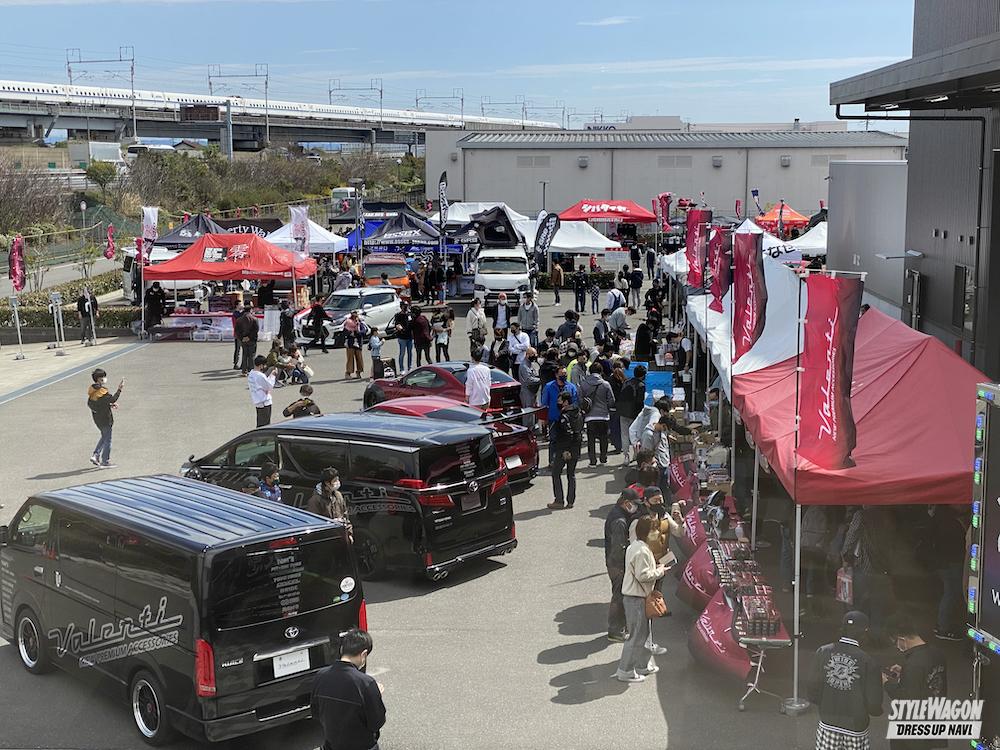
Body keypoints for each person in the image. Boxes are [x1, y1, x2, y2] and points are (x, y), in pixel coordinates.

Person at [807, 611, 883, 750]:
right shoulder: (868, 661)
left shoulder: (823, 651)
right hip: (856, 726)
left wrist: (825, 704)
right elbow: (874, 702)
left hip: (828, 721)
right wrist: (875, 711)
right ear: (865, 631)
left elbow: (813, 688)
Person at [310, 628, 386, 750]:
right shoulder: (366, 684)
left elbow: (316, 713)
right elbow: (376, 722)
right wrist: (376, 694)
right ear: (364, 654)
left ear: (342, 649)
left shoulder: (320, 676)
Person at [883, 612, 948, 750]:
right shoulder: (937, 653)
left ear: (902, 639)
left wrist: (886, 683)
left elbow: (905, 698)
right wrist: (905, 673)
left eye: (895, 643)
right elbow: (927, 679)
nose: (897, 647)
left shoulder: (913, 664)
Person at [615, 516, 668, 683]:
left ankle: (642, 665)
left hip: (637, 598)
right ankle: (625, 670)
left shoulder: (636, 546)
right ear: (648, 532)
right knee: (637, 636)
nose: (657, 533)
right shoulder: (642, 551)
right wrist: (660, 571)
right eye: (654, 529)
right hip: (636, 598)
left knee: (644, 634)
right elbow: (643, 575)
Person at [842, 507, 894, 644]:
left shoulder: (861, 515)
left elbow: (852, 536)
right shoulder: (884, 515)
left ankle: (855, 636)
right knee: (877, 604)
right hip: (881, 566)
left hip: (863, 565)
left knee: (858, 602)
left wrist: (845, 556)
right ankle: (876, 636)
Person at [924, 505, 968, 641]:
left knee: (950, 592)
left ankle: (943, 625)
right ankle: (943, 627)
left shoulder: (938, 517)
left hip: (942, 562)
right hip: (950, 563)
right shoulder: (950, 521)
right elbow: (957, 543)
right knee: (952, 592)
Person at [605, 488, 641, 642]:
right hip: (618, 565)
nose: (636, 507)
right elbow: (619, 548)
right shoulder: (619, 521)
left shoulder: (619, 514)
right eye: (634, 504)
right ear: (626, 503)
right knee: (619, 597)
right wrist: (626, 567)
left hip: (615, 563)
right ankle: (615, 630)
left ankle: (620, 627)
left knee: (620, 596)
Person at [547, 390, 582, 510]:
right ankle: (570, 501)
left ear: (566, 402)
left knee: (556, 473)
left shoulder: (565, 416)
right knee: (571, 475)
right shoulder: (578, 413)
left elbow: (567, 434)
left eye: (560, 401)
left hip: (564, 449)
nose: (558, 403)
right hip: (575, 448)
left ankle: (559, 500)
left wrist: (566, 450)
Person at [86, 368, 124, 468]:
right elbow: (112, 399)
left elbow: (100, 403)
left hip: (97, 419)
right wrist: (119, 389)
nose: (104, 378)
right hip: (105, 419)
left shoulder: (92, 390)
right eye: (103, 377)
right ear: (98, 379)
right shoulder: (102, 391)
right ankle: (105, 461)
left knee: (104, 436)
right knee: (108, 440)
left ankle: (95, 455)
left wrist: (110, 405)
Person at [580, 363, 615, 466]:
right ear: (601, 371)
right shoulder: (605, 384)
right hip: (603, 415)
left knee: (591, 439)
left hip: (589, 416)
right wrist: (607, 407)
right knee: (604, 438)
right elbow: (611, 400)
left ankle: (592, 461)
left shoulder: (584, 384)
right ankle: (603, 459)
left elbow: (580, 399)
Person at [307, 467, 351, 536]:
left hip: (341, 536)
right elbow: (314, 523)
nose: (337, 483)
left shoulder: (338, 495)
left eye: (338, 480)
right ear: (327, 483)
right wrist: (331, 523)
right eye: (335, 481)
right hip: (327, 537)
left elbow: (345, 515)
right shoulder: (315, 500)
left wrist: (349, 533)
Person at [617, 365, 646, 462]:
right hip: (634, 414)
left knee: (624, 435)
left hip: (623, 412)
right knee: (635, 435)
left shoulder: (626, 382)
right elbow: (640, 401)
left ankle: (626, 456)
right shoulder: (641, 385)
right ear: (643, 375)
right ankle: (635, 454)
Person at [248, 354, 276, 426]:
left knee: (260, 422)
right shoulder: (260, 375)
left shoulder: (251, 374)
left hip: (257, 401)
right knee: (265, 423)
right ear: (261, 365)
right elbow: (269, 386)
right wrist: (272, 376)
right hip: (264, 402)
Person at [518, 347, 540, 429]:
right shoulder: (524, 366)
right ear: (527, 355)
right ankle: (527, 430)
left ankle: (533, 427)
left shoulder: (532, 364)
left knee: (534, 410)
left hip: (533, 390)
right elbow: (529, 380)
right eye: (533, 354)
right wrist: (540, 379)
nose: (535, 356)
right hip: (527, 391)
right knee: (528, 412)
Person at [234, 303, 259, 375]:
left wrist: (242, 338)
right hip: (252, 339)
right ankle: (251, 370)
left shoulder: (239, 319)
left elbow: (237, 330)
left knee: (244, 354)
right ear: (250, 310)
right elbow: (256, 329)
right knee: (252, 355)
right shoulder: (254, 319)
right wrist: (249, 337)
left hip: (243, 340)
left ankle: (244, 370)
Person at [343, 309, 366, 379]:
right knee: (350, 358)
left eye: (356, 314)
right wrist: (350, 333)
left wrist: (358, 332)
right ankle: (348, 373)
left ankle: (359, 372)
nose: (355, 316)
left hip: (358, 342)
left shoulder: (360, 322)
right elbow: (344, 332)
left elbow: (364, 331)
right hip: (350, 342)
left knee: (359, 358)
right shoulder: (348, 322)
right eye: (353, 314)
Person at [393, 301, 413, 373]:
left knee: (410, 353)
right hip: (402, 337)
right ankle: (402, 369)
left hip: (410, 337)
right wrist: (400, 328)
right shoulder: (398, 315)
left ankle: (410, 367)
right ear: (401, 307)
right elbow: (397, 324)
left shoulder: (410, 314)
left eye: (407, 306)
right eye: (404, 306)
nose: (406, 307)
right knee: (402, 353)